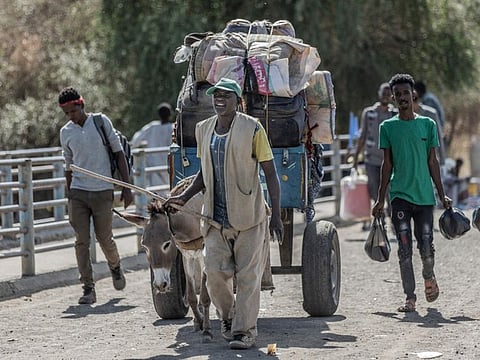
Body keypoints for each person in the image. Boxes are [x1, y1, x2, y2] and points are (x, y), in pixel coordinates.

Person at [164, 78, 283, 350]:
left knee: (248, 277)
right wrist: (182, 197)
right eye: (216, 95)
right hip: (214, 219)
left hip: (249, 218)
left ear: (238, 101)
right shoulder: (203, 129)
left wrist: (275, 215)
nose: (219, 99)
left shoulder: (253, 129)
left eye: (226, 95)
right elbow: (204, 173)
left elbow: (270, 173)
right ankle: (229, 318)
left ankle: (245, 332)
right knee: (214, 273)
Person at [372, 74, 452, 313]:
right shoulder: (387, 127)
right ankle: (410, 297)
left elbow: (433, 162)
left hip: (425, 197)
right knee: (404, 247)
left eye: (405, 93)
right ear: (393, 99)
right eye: (397, 95)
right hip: (400, 197)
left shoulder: (427, 125)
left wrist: (442, 194)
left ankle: (429, 276)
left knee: (426, 245)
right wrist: (380, 199)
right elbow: (386, 165)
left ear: (413, 94)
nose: (402, 98)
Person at [59, 86, 133, 305]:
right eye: (67, 113)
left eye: (73, 111)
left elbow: (119, 153)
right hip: (79, 193)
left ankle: (115, 266)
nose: (71, 116)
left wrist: (126, 187)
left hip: (102, 190)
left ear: (81, 105)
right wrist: (70, 194)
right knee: (81, 241)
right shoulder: (66, 132)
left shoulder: (101, 122)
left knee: (104, 238)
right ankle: (88, 287)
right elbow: (68, 164)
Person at [353, 82, 397, 229]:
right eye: (383, 93)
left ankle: (394, 220)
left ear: (392, 96)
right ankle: (381, 220)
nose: (385, 96)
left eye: (388, 93)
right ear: (379, 94)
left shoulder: (394, 115)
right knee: (375, 191)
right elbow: (363, 135)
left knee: (391, 192)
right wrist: (355, 157)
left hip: (391, 161)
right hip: (371, 160)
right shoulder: (369, 113)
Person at [130, 102, 174, 190]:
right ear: (170, 114)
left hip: (154, 165)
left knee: (157, 191)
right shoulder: (173, 128)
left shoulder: (152, 127)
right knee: (170, 189)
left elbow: (135, 140)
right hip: (169, 165)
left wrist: (131, 148)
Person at [413, 90, 446, 166]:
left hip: (430, 157)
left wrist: (442, 161)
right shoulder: (405, 115)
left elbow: (438, 136)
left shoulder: (430, 113)